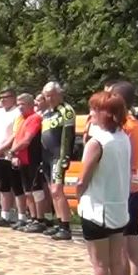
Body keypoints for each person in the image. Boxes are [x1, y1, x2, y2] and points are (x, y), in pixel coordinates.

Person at [75, 91, 132, 275]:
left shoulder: (97, 142)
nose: (91, 114)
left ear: (105, 113)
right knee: (116, 263)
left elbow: (83, 179)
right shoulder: (123, 137)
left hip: (97, 208)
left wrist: (78, 195)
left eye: (94, 110)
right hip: (119, 207)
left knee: (100, 264)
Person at [109, 81, 138, 275]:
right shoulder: (136, 123)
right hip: (136, 185)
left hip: (126, 188)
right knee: (132, 244)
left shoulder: (126, 126)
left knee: (122, 247)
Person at [40, 82, 76, 240]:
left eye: (52, 95)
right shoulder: (47, 113)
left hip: (58, 156)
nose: (50, 98)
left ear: (59, 94)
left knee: (57, 190)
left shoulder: (66, 110)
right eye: (47, 96)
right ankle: (59, 222)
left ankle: (65, 226)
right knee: (52, 191)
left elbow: (68, 136)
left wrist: (65, 157)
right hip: (46, 157)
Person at [10, 93, 45, 231]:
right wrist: (15, 155)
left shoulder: (35, 118)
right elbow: (17, 138)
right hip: (23, 160)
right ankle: (33, 218)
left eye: (22, 104)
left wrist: (12, 151)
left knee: (36, 191)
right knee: (27, 192)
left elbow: (26, 140)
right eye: (18, 104)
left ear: (31, 104)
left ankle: (40, 220)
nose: (20, 107)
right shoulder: (21, 119)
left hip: (34, 159)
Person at [0, 88, 22, 227]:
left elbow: (15, 134)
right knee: (3, 185)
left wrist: (2, 149)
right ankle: (5, 215)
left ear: (13, 97)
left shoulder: (18, 112)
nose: (3, 100)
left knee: (17, 186)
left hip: (11, 154)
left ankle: (21, 216)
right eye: (1, 97)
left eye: (6, 97)